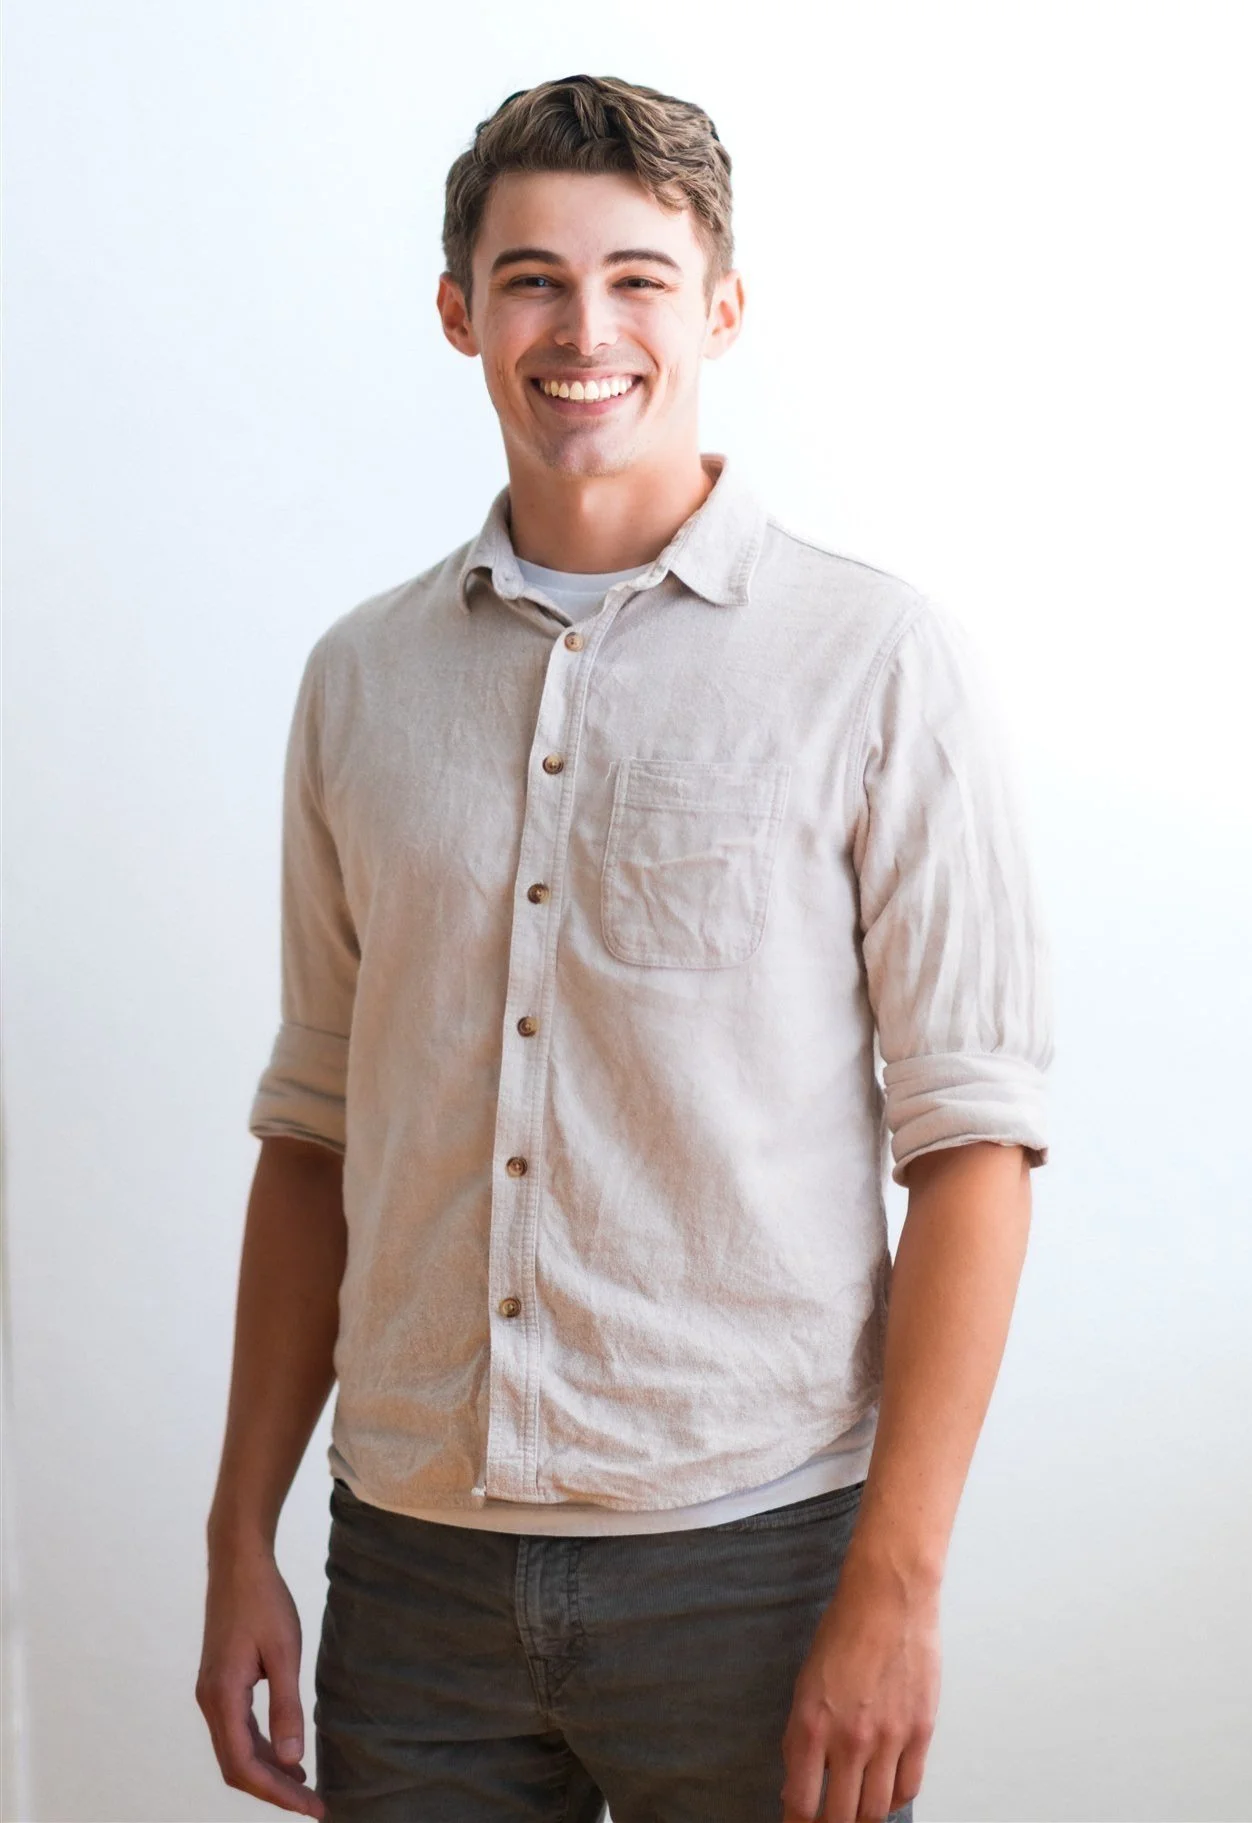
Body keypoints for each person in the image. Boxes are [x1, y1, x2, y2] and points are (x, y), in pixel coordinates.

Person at [196, 72, 1053, 1823]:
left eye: (640, 278)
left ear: (720, 307)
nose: (585, 329)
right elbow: (315, 1134)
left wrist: (896, 1582)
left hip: (755, 1568)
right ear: (460, 313)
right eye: (530, 279)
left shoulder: (875, 662)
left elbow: (973, 1148)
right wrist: (239, 1534)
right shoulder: (359, 680)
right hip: (412, 1573)